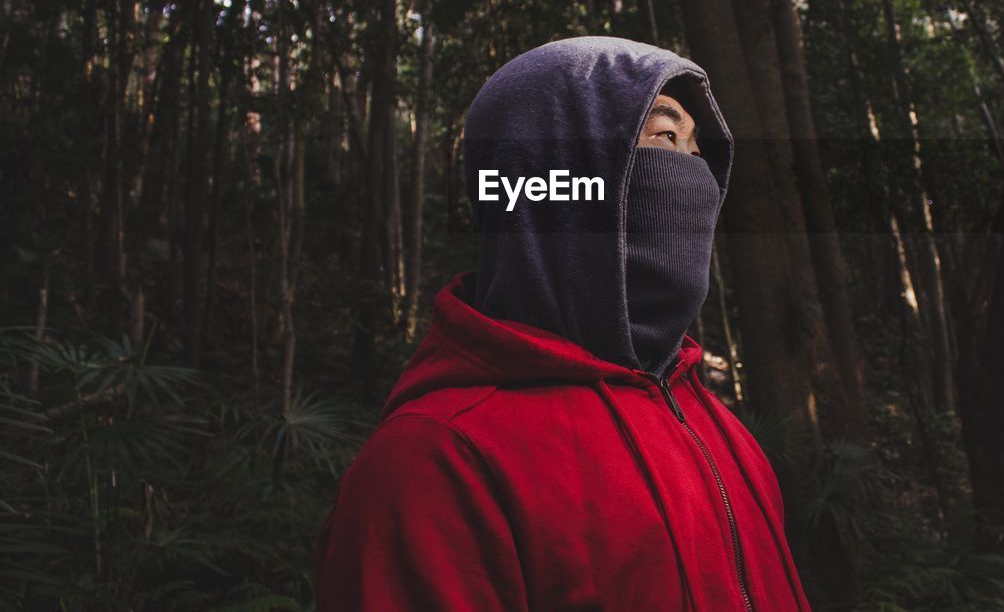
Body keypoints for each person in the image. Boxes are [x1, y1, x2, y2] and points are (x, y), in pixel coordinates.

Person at [314, 36, 811, 610]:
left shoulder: (719, 429)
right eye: (666, 137)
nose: (695, 174)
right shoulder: (431, 466)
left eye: (699, 149)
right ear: (551, 177)